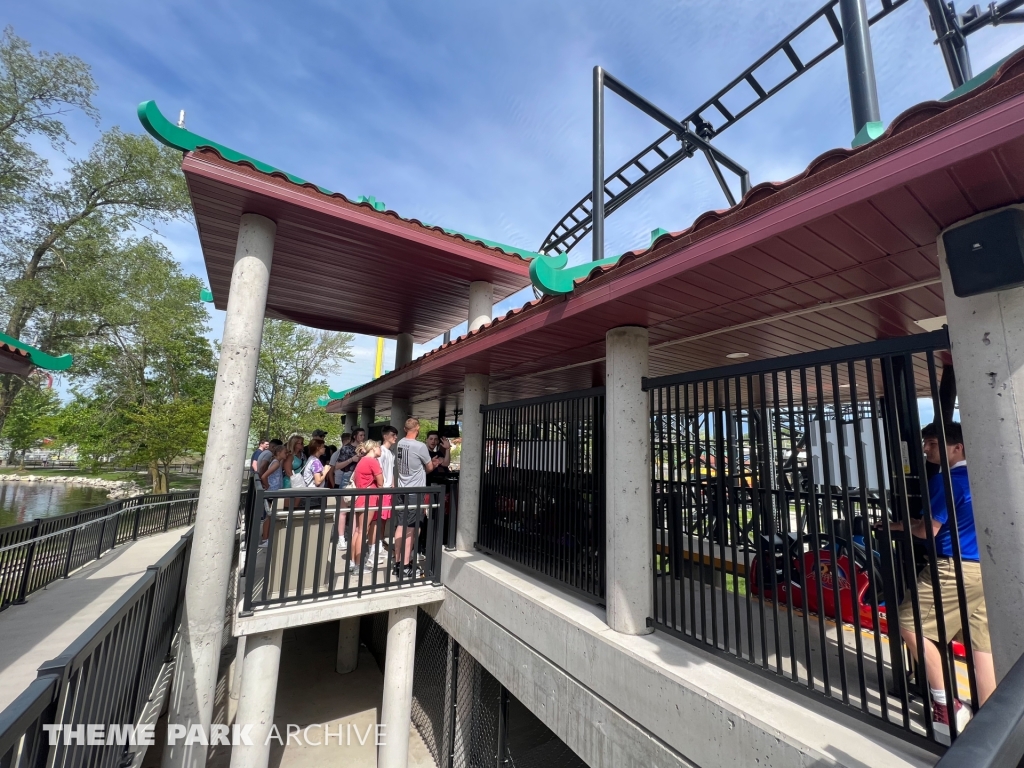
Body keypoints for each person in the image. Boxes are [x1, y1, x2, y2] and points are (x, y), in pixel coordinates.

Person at [881, 422, 995, 738]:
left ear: (956, 447)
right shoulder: (984, 476)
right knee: (979, 644)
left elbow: (928, 529)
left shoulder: (947, 479)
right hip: (985, 569)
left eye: (932, 443)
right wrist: (901, 524)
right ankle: (992, 716)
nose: (926, 449)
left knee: (910, 623)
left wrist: (898, 528)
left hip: (952, 569)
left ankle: (948, 706)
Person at [394, 417, 440, 578]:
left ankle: (397, 561)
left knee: (401, 525)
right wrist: (433, 464)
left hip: (402, 490)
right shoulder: (420, 446)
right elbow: (428, 468)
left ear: (405, 429)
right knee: (411, 529)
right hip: (415, 492)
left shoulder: (400, 443)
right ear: (418, 428)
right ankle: (406, 565)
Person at [349, 440, 388, 574]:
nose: (381, 450)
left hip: (360, 498)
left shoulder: (362, 461)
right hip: (369, 498)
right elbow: (381, 481)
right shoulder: (372, 461)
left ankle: (353, 562)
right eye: (379, 448)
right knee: (362, 531)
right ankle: (359, 566)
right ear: (374, 448)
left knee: (358, 531)